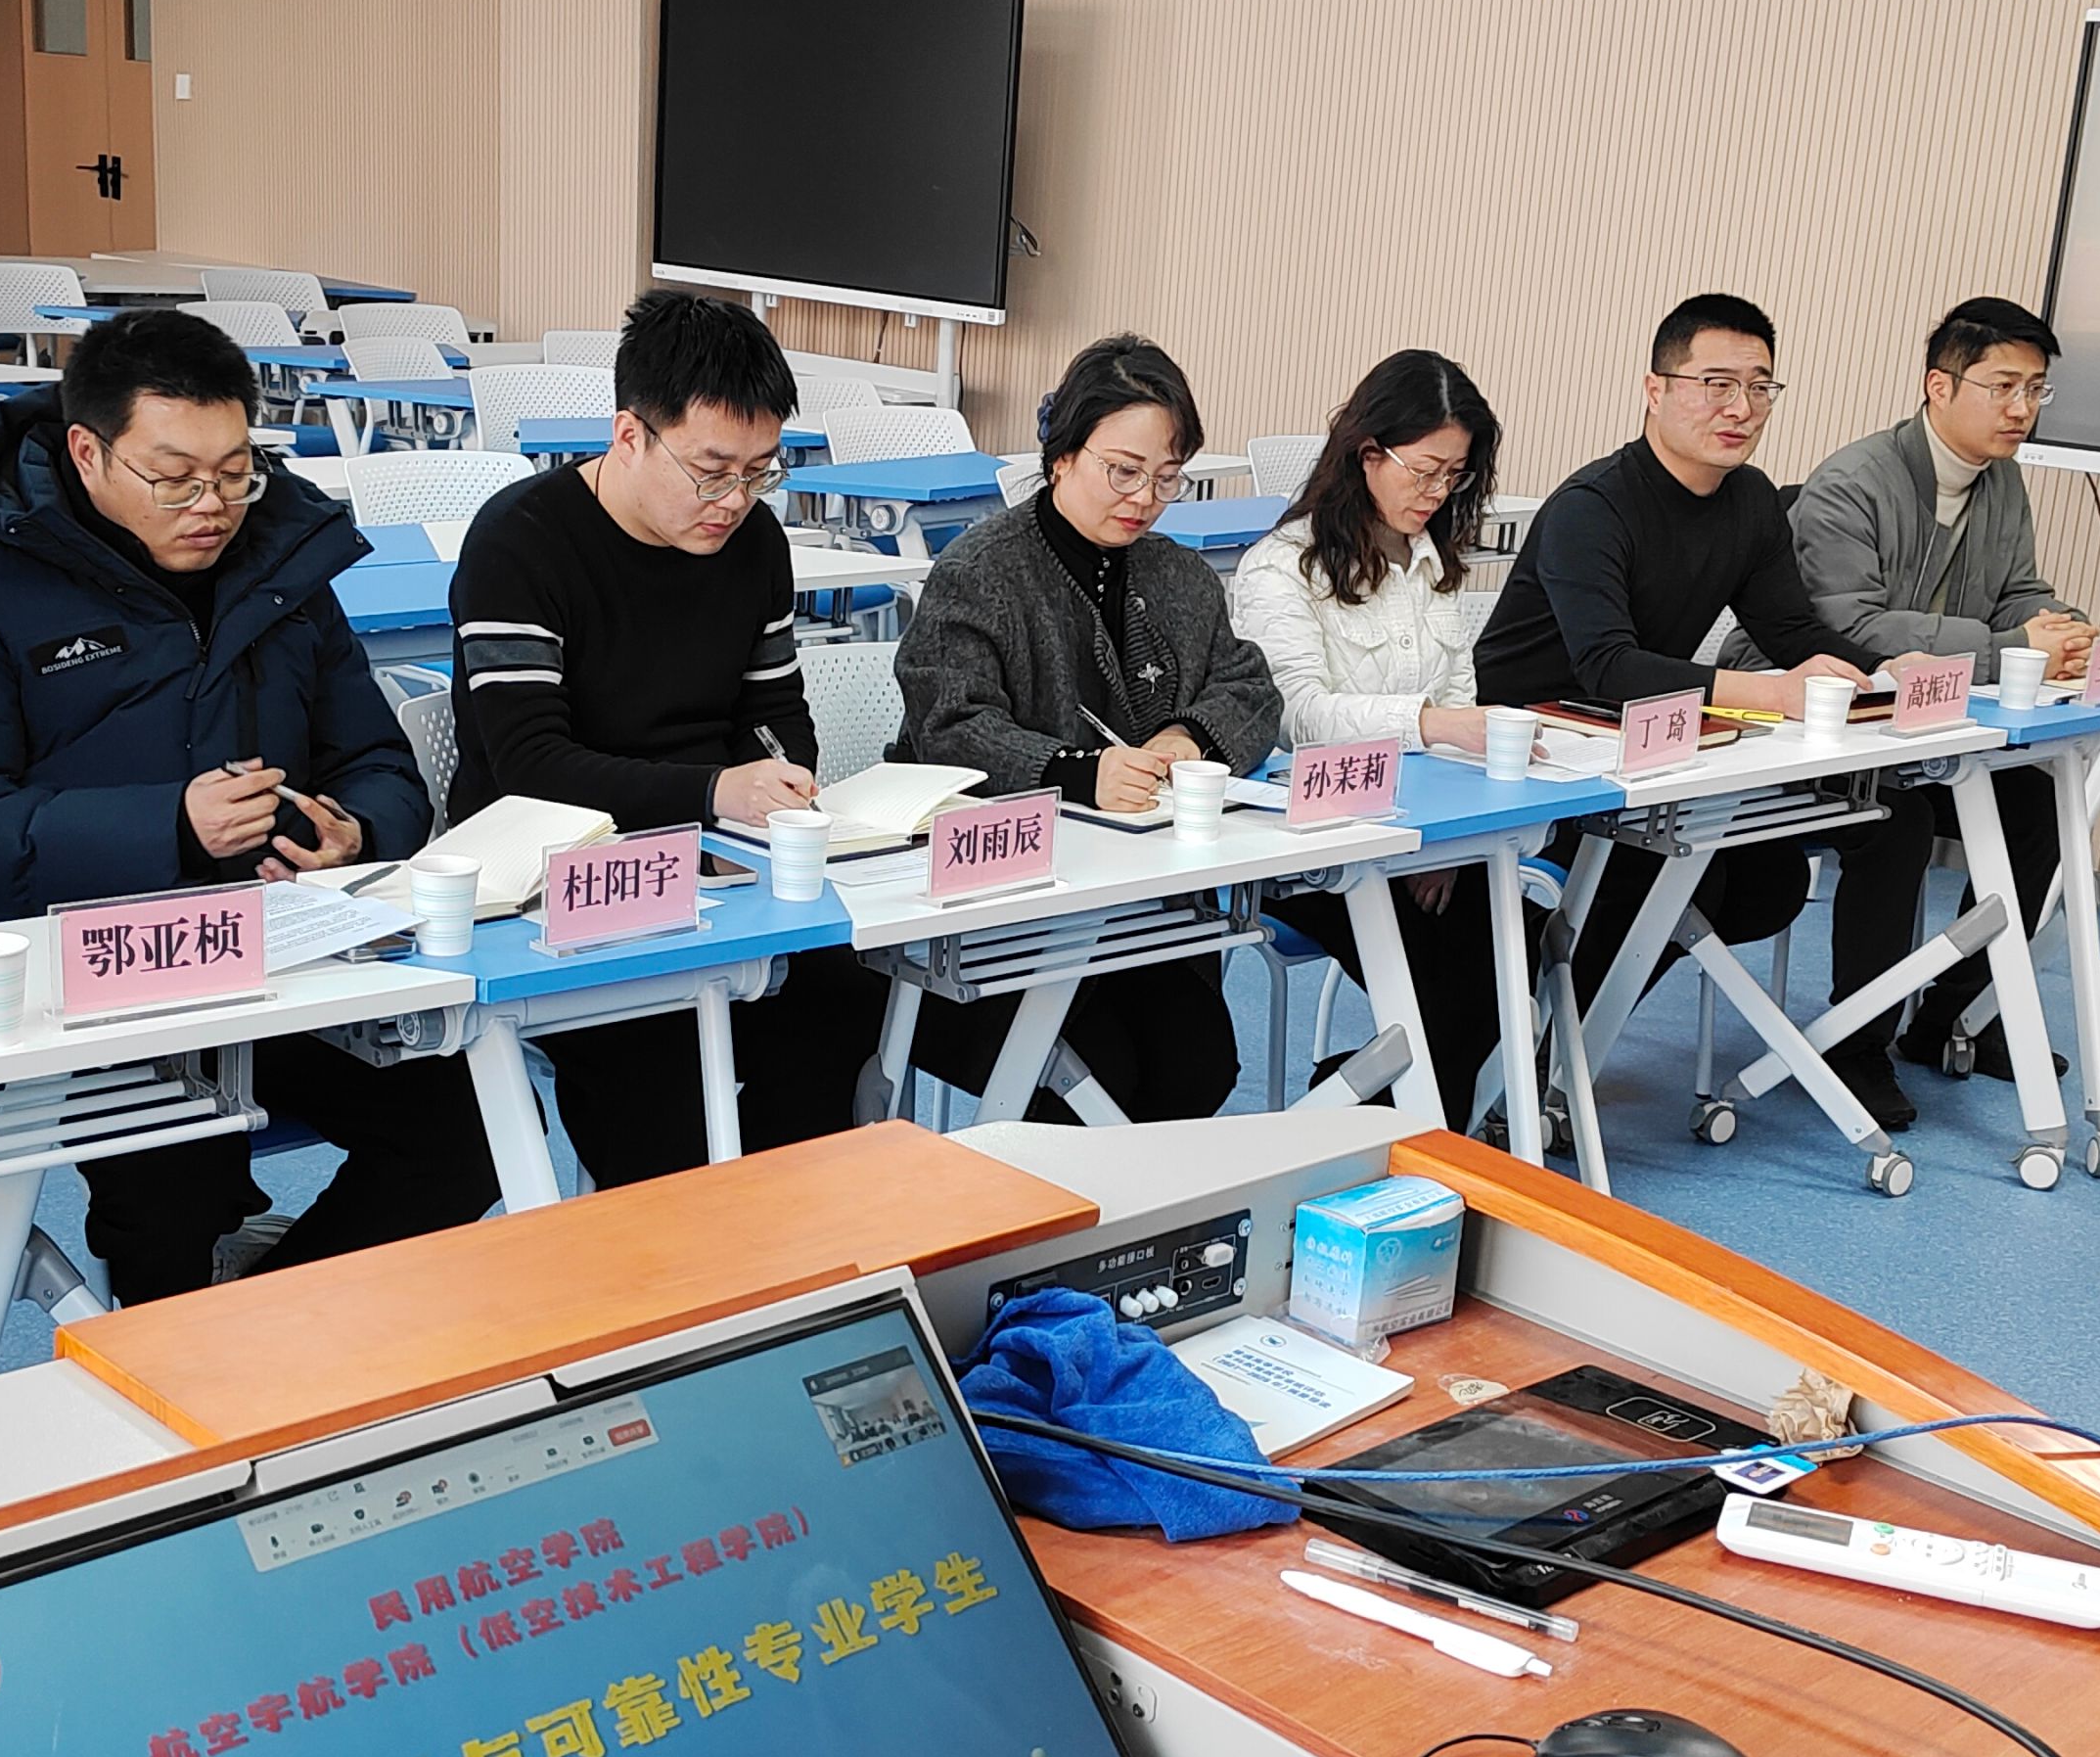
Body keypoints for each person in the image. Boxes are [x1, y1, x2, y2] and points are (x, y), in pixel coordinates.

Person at [0, 306, 496, 1300]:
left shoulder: (283, 568)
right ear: (88, 452)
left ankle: (263, 1326)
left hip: (285, 953)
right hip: (91, 974)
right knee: (171, 1208)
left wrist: (357, 830)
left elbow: (375, 759)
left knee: (466, 1136)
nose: (212, 505)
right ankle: (204, 1347)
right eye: (174, 478)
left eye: (236, 472)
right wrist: (166, 826)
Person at [442, 288, 885, 1180]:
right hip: (561, 885)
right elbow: (530, 766)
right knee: (657, 1096)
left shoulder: (753, 541)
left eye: (760, 472)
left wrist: (780, 779)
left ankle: (775, 1231)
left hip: (721, 870)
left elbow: (776, 713)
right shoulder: (519, 544)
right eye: (712, 471)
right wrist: (713, 795)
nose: (735, 500)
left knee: (848, 998)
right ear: (629, 435)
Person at [1471, 294, 1888, 1108]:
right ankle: (1524, 1077)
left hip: (1650, 748)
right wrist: (1772, 692)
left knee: (1768, 878)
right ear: (1655, 389)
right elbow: (1606, 667)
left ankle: (1557, 1052)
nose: (1741, 408)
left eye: (1760, 387)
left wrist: (1892, 671)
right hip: (1538, 756)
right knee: (1662, 870)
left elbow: (1791, 629)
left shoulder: (1751, 499)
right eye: (1716, 384)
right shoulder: (1592, 507)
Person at [894, 334, 1284, 1121]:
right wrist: (1077, 771)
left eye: (1167, 478)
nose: (1144, 498)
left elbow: (1252, 689)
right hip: (999, 914)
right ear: (1063, 455)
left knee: (1200, 1064)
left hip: (1139, 904)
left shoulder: (1177, 573)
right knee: (1091, 1080)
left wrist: (1185, 739)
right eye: (1123, 471)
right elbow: (949, 726)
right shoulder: (981, 570)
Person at [1793, 298, 2092, 1098]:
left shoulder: (2001, 481)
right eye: (2003, 386)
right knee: (1900, 821)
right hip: (1830, 728)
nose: (2021, 408)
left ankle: (1953, 1018)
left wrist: (2063, 629)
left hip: (1927, 729)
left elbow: (2017, 591)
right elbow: (1847, 625)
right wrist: (2012, 646)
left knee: (2035, 806)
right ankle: (1855, 1044)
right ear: (1939, 385)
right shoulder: (1851, 482)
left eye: (2035, 389)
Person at [1229, 349, 1520, 1124]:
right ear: (1367, 454)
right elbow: (1295, 716)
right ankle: (1380, 1131)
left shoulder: (1430, 561)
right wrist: (1427, 724)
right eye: (1424, 470)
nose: (1438, 493)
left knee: (1519, 950)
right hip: (1311, 841)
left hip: (1420, 834)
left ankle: (1362, 1113)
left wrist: (1451, 842)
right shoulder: (1281, 567)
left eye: (1454, 475)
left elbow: (1461, 699)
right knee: (1451, 983)